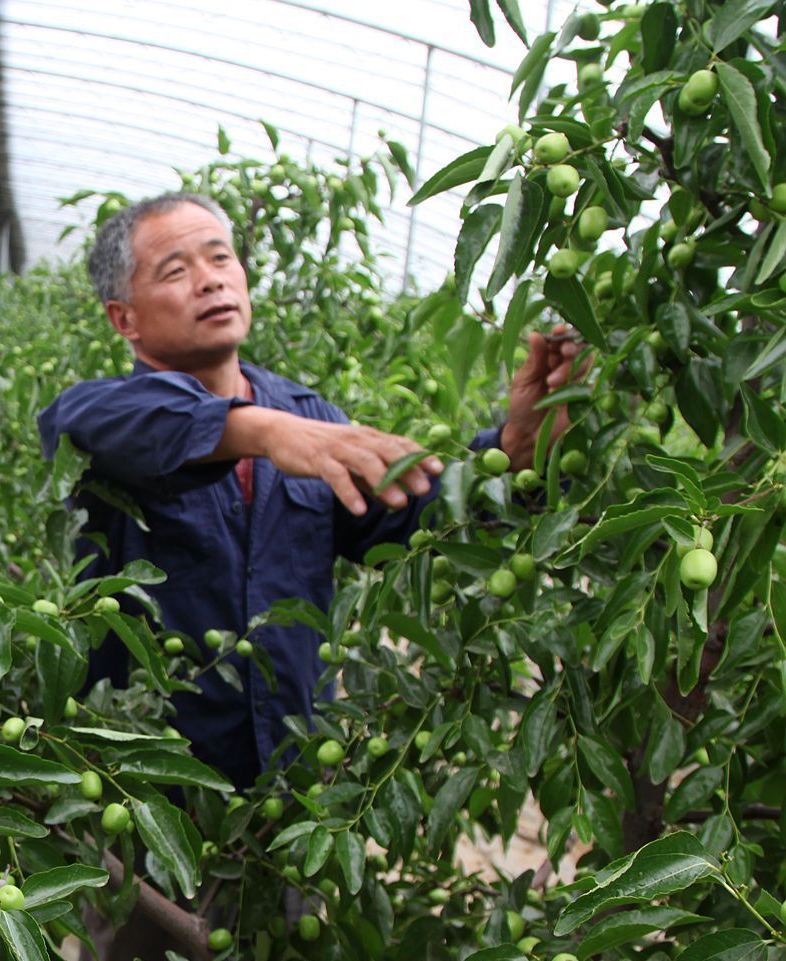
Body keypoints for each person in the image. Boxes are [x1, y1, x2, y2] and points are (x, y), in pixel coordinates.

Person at [39, 191, 582, 791]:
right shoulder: (104, 420)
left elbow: (409, 517)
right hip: (144, 794)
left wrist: (514, 454)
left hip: (295, 793)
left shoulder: (307, 414)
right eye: (176, 270)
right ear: (125, 319)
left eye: (220, 259)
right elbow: (80, 420)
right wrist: (261, 432)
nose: (209, 281)